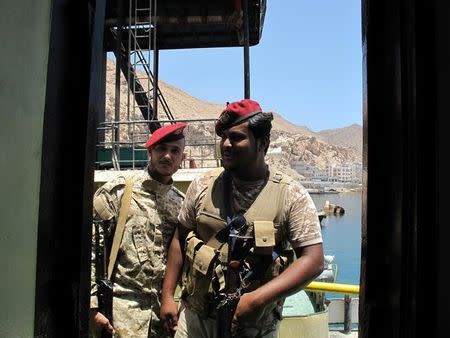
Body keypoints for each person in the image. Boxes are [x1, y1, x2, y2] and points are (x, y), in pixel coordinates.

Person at [160, 99, 324, 338]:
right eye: (223, 137)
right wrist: (167, 296)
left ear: (263, 143)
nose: (226, 144)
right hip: (196, 320)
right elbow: (179, 238)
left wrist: (256, 300)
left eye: (237, 137)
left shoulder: (290, 194)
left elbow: (313, 260)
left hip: (254, 327)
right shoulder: (204, 185)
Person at [90, 122, 187, 338]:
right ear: (150, 151)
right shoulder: (119, 191)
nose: (167, 156)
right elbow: (91, 250)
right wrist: (92, 308)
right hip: (120, 314)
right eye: (161, 149)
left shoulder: (181, 205)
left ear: (182, 157)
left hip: (163, 319)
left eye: (175, 151)